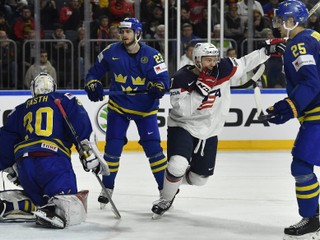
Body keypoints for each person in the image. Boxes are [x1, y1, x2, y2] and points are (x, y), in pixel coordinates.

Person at [151, 40, 286, 218]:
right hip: (183, 126)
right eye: (208, 60)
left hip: (209, 130)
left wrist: (267, 51)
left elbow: (245, 62)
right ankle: (165, 199)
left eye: (214, 59)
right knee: (177, 165)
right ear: (197, 60)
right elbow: (182, 111)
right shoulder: (181, 78)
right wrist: (200, 90)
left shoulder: (224, 67)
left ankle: (172, 182)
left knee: (200, 180)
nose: (213, 64)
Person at [0, 72, 106, 228]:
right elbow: (79, 123)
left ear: (33, 90)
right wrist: (87, 153)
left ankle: (12, 205)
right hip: (52, 161)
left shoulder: (20, 110)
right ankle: (54, 210)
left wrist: (10, 166)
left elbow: (5, 139)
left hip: (25, 165)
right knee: (72, 204)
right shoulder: (63, 99)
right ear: (53, 87)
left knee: (37, 199)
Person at [84, 17, 170, 209]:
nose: (124, 35)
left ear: (138, 34)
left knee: (154, 151)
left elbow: (164, 79)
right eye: (122, 31)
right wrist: (92, 83)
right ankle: (108, 187)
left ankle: (166, 192)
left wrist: (159, 86)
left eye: (128, 32)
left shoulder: (153, 55)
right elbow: (93, 73)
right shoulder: (111, 52)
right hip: (119, 108)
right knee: (112, 149)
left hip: (145, 110)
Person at [265, 1, 320, 239]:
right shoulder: (309, 38)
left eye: (280, 20)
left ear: (291, 21)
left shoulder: (300, 43)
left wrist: (291, 105)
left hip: (318, 115)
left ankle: (311, 218)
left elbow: (310, 81)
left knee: (301, 165)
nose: (277, 25)